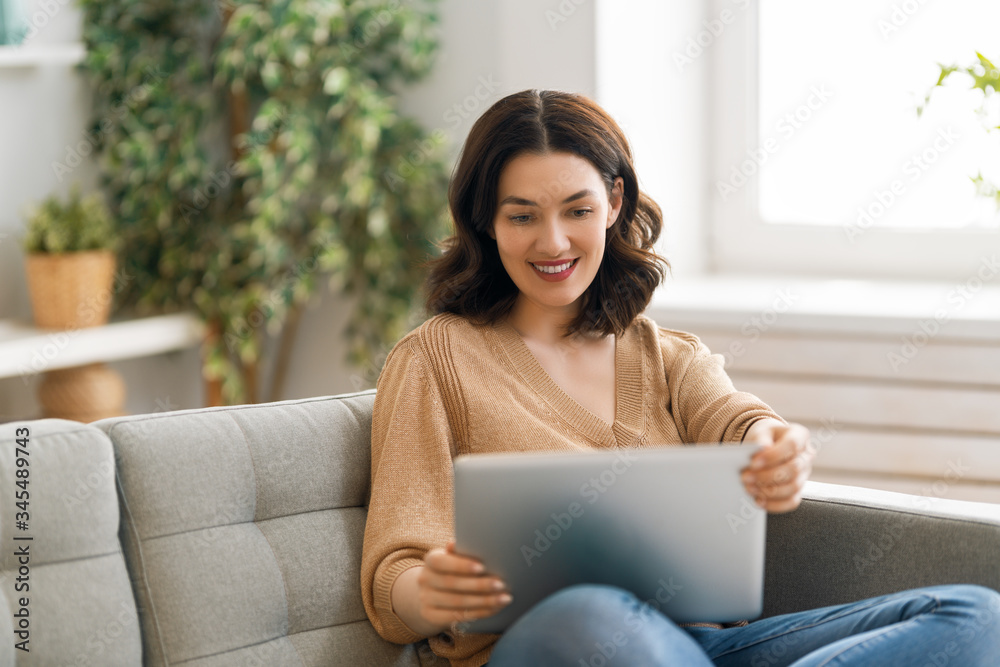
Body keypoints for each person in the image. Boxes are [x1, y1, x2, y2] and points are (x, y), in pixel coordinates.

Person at [360, 89, 1000, 667]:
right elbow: (393, 581)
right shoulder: (435, 359)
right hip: (555, 645)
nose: (552, 243)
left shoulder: (665, 354)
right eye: (522, 216)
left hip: (706, 646)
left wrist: (777, 445)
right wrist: (433, 595)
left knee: (975, 616)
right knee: (587, 610)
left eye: (576, 210)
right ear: (486, 221)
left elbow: (740, 424)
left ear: (613, 203)